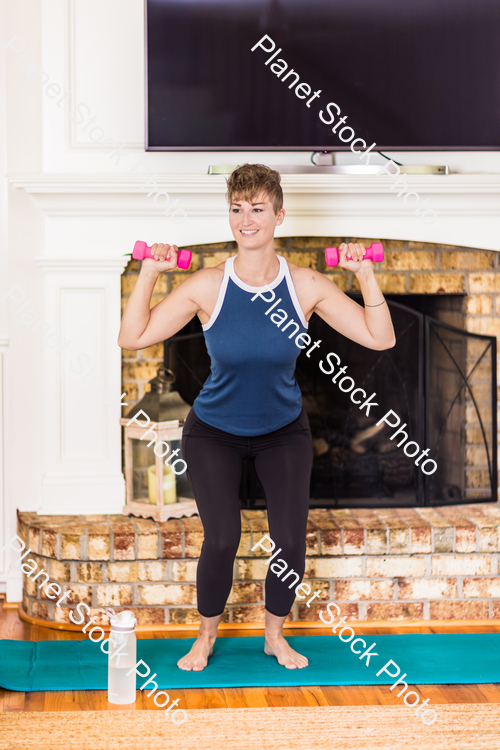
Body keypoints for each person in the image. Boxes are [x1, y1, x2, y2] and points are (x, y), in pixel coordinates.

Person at [117, 163, 396, 671]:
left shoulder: (305, 285)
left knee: (289, 539)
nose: (247, 219)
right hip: (214, 432)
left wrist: (365, 274)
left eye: (258, 209)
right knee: (222, 538)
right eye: (237, 209)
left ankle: (274, 635)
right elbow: (132, 337)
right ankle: (204, 636)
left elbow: (380, 336)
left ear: (279, 215)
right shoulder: (208, 285)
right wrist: (150, 274)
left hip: (283, 431)